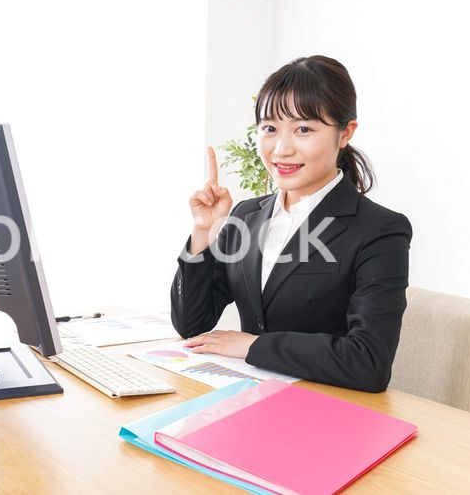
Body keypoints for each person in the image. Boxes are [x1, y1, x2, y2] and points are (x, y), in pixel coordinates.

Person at [171, 55, 412, 393]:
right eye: (270, 128)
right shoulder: (246, 215)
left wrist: (253, 346)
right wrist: (202, 233)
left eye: (304, 129)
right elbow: (192, 324)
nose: (281, 149)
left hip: (326, 409)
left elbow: (369, 362)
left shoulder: (379, 231)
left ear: (345, 133)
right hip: (248, 397)